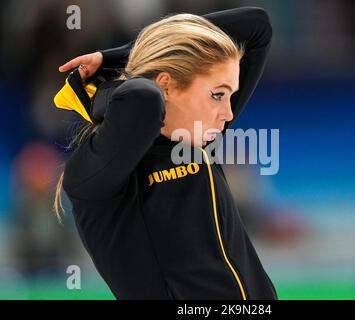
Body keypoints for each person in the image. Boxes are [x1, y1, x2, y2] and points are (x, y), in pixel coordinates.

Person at [54, 7, 276, 300]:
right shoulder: (98, 175)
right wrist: (106, 85)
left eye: (231, 96)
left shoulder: (193, 139)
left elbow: (257, 26)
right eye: (218, 94)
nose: (228, 113)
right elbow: (142, 98)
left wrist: (114, 56)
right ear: (165, 85)